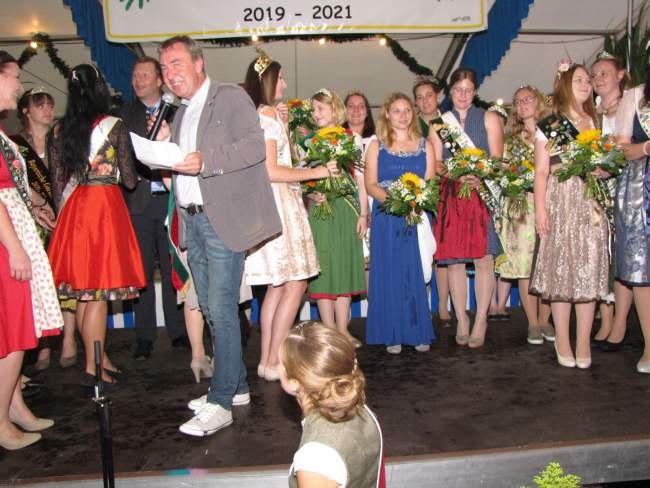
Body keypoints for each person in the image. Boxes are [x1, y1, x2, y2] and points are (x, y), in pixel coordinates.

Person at [157, 35, 281, 436]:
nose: (170, 74)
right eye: (164, 68)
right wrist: (163, 152)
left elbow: (254, 148)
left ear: (198, 63)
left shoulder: (229, 96)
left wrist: (205, 160)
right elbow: (182, 167)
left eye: (176, 63)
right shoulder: (180, 113)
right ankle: (238, 386)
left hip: (221, 219)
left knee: (223, 309)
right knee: (211, 308)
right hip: (193, 220)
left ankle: (221, 401)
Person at [47, 64, 146, 387]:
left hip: (74, 212)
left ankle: (99, 357)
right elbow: (129, 179)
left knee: (85, 294)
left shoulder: (58, 131)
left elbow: (57, 184)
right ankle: (92, 366)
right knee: (98, 295)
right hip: (103, 210)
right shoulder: (113, 126)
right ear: (99, 88)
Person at [242, 49, 336, 381]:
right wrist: (317, 172)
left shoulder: (261, 114)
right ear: (268, 80)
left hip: (274, 202)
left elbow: (279, 160)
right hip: (281, 203)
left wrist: (284, 126)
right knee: (296, 282)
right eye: (280, 77)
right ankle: (276, 360)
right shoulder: (266, 115)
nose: (284, 82)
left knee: (278, 286)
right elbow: (271, 170)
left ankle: (266, 360)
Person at [0, 50, 62, 450]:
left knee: (20, 328)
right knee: (13, 331)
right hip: (6, 241)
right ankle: (0, 424)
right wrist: (15, 249)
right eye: (13, 77)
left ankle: (14, 407)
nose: (19, 85)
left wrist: (34, 207)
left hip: (14, 228)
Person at [530, 62, 610, 369]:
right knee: (561, 270)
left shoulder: (595, 120)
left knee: (589, 267)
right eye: (579, 80)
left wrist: (603, 170)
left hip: (590, 201)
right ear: (565, 84)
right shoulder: (550, 123)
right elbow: (540, 171)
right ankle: (562, 339)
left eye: (588, 80)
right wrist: (540, 210)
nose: (586, 84)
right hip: (560, 199)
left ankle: (583, 341)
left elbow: (604, 163)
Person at [118, 57, 188, 361]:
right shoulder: (124, 115)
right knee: (142, 271)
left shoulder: (178, 112)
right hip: (139, 203)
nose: (137, 81)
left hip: (171, 200)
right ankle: (144, 336)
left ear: (159, 80)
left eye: (144, 75)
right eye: (135, 76)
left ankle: (178, 332)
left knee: (174, 267)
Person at [430, 68, 504, 348]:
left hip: (482, 195)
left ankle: (481, 319)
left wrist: (480, 174)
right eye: (458, 90)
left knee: (484, 260)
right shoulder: (439, 124)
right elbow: (436, 164)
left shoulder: (489, 118)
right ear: (450, 92)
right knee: (455, 262)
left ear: (475, 92)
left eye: (468, 90)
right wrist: (455, 174)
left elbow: (497, 160)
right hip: (452, 197)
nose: (463, 95)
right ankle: (461, 318)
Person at [11, 88, 78, 369]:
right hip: (32, 221)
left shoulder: (62, 139)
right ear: (26, 111)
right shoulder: (14, 144)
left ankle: (69, 339)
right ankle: (43, 345)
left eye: (50, 105)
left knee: (67, 278)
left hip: (64, 214)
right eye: (41, 105)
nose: (48, 110)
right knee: (39, 282)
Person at [364, 93, 436, 354]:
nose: (403, 115)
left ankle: (418, 331)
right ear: (387, 114)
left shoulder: (426, 145)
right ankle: (391, 332)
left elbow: (430, 181)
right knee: (389, 273)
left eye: (407, 110)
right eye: (397, 110)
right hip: (387, 216)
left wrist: (414, 203)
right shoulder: (376, 145)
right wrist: (397, 201)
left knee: (416, 272)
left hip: (416, 216)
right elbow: (370, 185)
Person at [279, 322, 384, 488]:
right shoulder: (361, 410)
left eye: (280, 363)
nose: (278, 367)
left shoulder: (314, 459)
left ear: (294, 383)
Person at [307, 88, 368, 345]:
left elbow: (361, 180)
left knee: (344, 267)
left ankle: (343, 329)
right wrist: (312, 195)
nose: (315, 113)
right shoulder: (307, 141)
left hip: (346, 209)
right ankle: (329, 330)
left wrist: (363, 214)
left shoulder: (352, 139)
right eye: (313, 109)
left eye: (320, 108)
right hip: (321, 212)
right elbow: (301, 181)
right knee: (324, 269)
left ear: (334, 110)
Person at [496, 85, 554, 345]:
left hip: (549, 202)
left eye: (528, 99)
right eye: (518, 101)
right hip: (520, 206)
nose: (523, 104)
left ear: (539, 101)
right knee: (525, 267)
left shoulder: (553, 133)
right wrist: (511, 180)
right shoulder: (510, 140)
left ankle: (545, 319)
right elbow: (502, 171)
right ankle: (532, 322)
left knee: (548, 264)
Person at [589, 53, 634, 350]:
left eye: (605, 73)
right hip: (596, 189)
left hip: (625, 188)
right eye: (595, 75)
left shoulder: (631, 106)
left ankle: (620, 322)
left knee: (621, 255)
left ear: (620, 75)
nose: (599, 79)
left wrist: (609, 167)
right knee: (601, 255)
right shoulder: (591, 111)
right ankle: (605, 319)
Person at [614, 70, 650, 373]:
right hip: (641, 188)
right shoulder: (635, 96)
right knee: (642, 267)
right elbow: (621, 150)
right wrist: (648, 147)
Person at [413, 77, 452, 327]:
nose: (425, 101)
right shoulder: (410, 124)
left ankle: (443, 305)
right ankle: (423, 305)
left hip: (448, 192)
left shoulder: (449, 122)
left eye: (429, 95)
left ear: (438, 96)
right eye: (420, 97)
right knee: (423, 251)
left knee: (444, 253)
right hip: (420, 194)